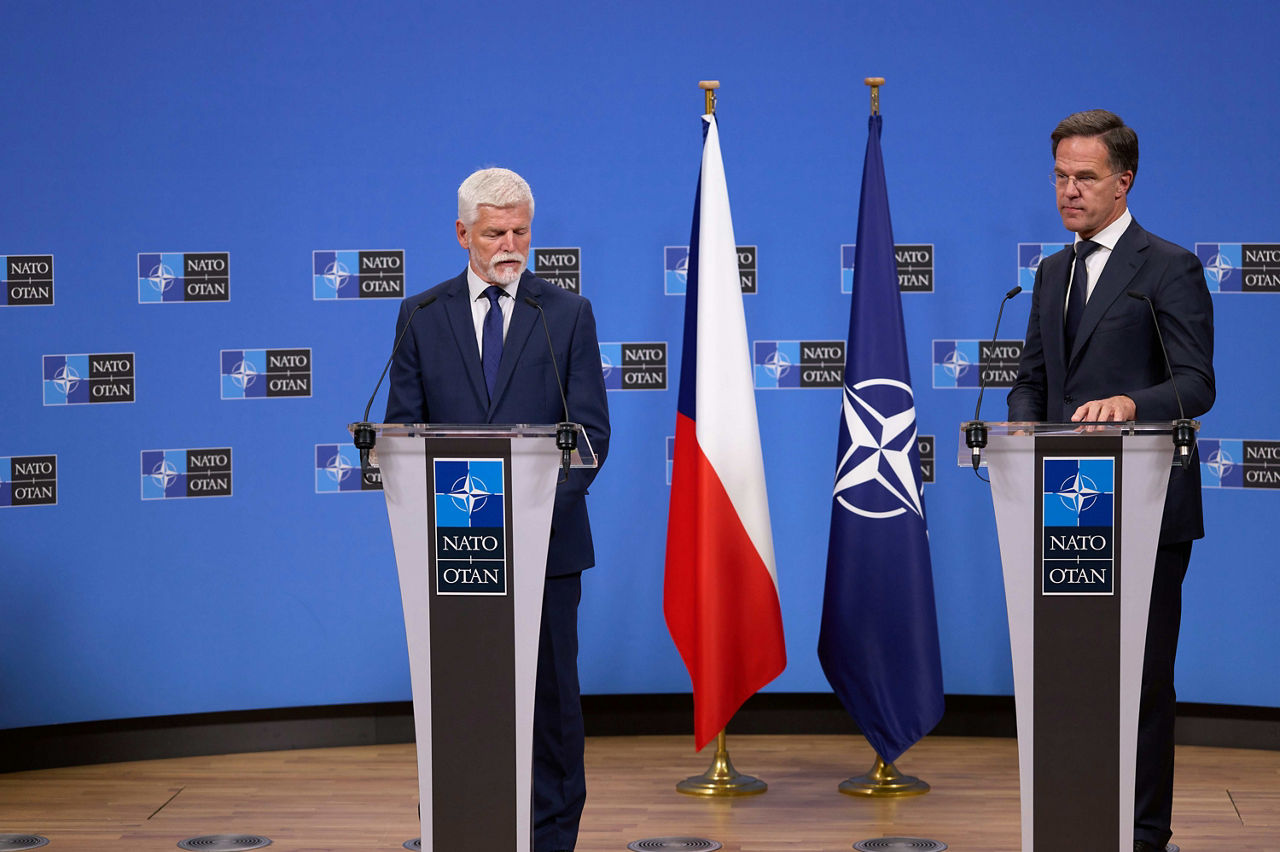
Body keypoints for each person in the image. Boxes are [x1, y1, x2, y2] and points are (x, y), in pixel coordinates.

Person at [385, 167, 610, 852]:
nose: (509, 244)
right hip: (455, 557)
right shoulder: (422, 316)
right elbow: (402, 433)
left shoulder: (566, 314)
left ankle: (550, 841)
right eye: (494, 232)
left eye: (520, 231)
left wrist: (524, 524)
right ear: (462, 235)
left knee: (550, 714)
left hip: (547, 555)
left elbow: (590, 437)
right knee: (462, 710)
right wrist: (478, 526)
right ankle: (461, 832)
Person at [1008, 110, 1215, 852]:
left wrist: (1133, 405)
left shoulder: (1168, 267)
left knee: (1141, 684)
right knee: (1075, 685)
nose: (1069, 190)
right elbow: (1033, 381)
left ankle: (1146, 836)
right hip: (1069, 501)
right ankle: (1079, 825)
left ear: (1123, 182)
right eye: (1061, 176)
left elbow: (1197, 383)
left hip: (1148, 505)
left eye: (1085, 177)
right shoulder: (1050, 272)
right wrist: (1024, 428)